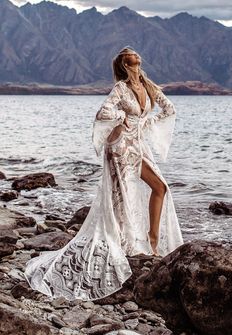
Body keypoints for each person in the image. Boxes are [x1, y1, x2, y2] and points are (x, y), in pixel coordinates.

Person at [24, 46, 184, 301]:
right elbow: (103, 113)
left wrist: (146, 123)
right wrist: (122, 118)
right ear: (125, 64)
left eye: (137, 55)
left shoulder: (148, 85)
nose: (136, 55)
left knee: (160, 187)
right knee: (123, 198)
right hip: (119, 149)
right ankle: (124, 243)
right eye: (131, 56)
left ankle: (152, 239)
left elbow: (169, 109)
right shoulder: (121, 88)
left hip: (137, 146)